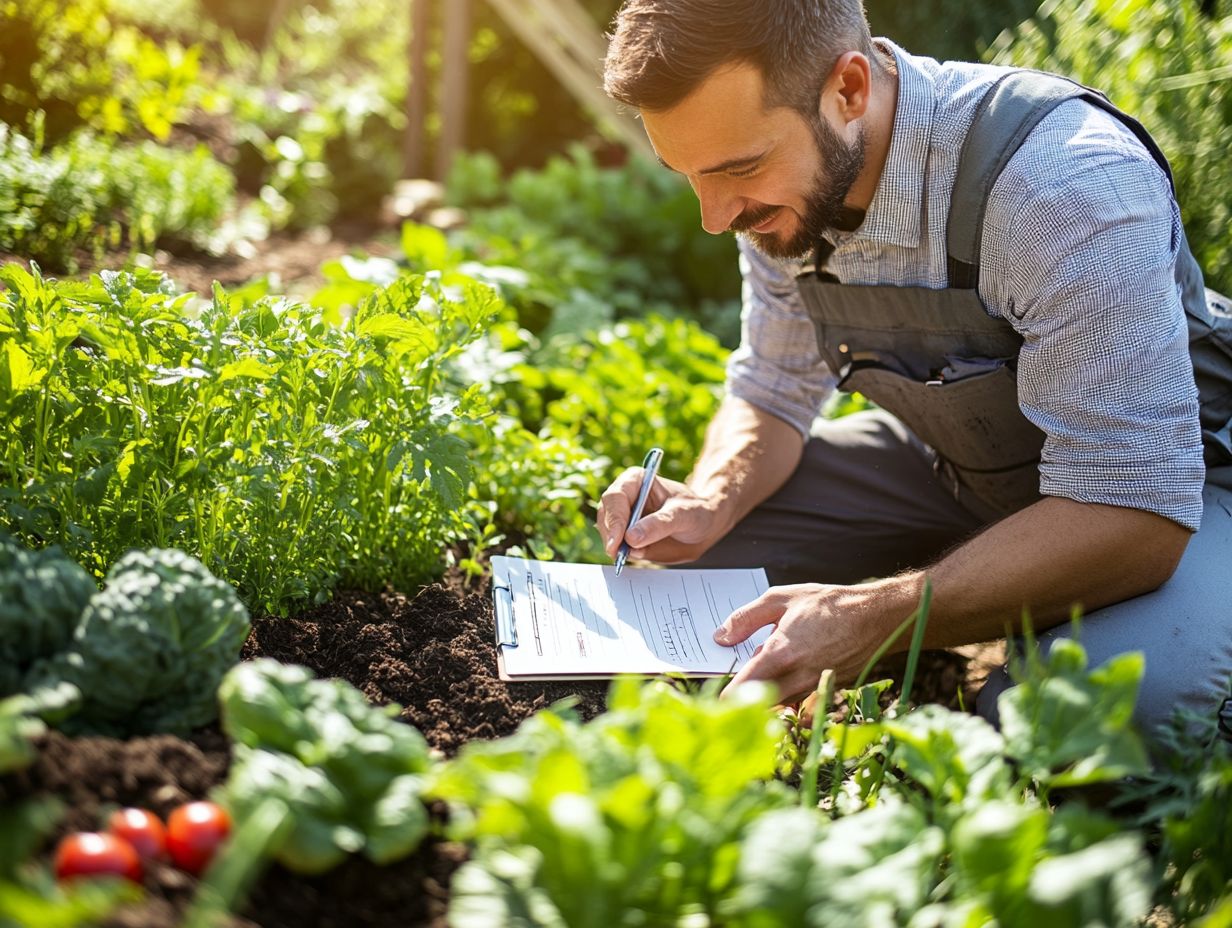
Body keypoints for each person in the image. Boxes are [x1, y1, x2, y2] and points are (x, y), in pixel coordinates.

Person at [594, 0, 1232, 739]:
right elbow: (775, 385)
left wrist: (877, 618)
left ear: (849, 90)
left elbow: (1137, 513)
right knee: (690, 591)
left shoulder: (1063, 188)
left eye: (738, 167)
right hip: (967, 465)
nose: (713, 214)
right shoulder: (775, 190)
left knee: (1094, 719)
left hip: (1184, 490)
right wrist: (710, 498)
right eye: (688, 174)